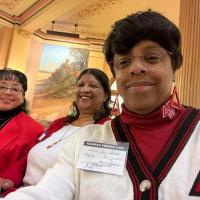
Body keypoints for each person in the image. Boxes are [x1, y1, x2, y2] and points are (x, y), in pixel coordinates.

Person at [3, 11, 200, 200]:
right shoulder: (85, 139)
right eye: (124, 62)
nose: (136, 68)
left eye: (151, 58)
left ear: (174, 66)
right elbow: (47, 192)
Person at [1, 68, 112, 196]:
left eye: (93, 85)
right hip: (19, 192)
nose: (84, 89)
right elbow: (27, 157)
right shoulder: (59, 123)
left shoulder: (106, 130)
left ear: (105, 95)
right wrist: (9, 180)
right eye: (80, 85)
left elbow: (96, 183)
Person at [0, 69, 44, 195]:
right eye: (2, 87)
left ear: (23, 96)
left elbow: (25, 166)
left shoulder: (35, 130)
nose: (7, 92)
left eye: (15, 89)